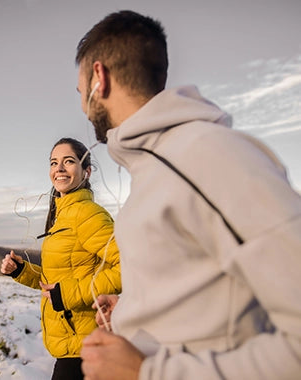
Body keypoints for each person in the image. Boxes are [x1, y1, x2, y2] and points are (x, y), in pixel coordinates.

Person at [75, 10, 301, 380]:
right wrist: (136, 310)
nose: (83, 106)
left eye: (80, 91)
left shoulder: (209, 156)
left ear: (99, 78)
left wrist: (147, 372)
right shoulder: (154, 168)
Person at [0, 137, 122, 380]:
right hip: (72, 344)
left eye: (68, 161)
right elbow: (61, 277)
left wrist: (67, 295)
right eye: (54, 163)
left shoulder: (88, 214)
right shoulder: (64, 215)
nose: (59, 168)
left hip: (86, 345)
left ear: (86, 171)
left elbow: (129, 267)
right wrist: (21, 271)